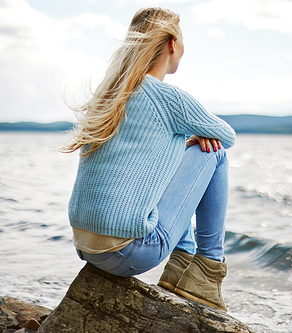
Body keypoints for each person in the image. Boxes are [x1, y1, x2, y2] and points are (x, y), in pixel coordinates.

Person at [61, 7, 236, 312]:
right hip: (130, 252)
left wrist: (186, 142)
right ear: (171, 43)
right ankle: (207, 270)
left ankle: (179, 268)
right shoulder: (168, 99)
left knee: (182, 156)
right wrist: (195, 137)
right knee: (216, 153)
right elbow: (227, 136)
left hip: (87, 247)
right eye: (182, 40)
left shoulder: (112, 92)